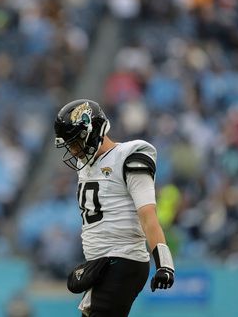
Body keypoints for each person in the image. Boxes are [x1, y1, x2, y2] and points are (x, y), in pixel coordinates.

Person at [53, 99, 175, 317]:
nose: (73, 151)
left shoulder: (129, 156)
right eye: (69, 145)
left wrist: (164, 264)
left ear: (93, 130)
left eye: (76, 142)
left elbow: (148, 216)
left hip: (123, 259)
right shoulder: (85, 165)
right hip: (101, 263)